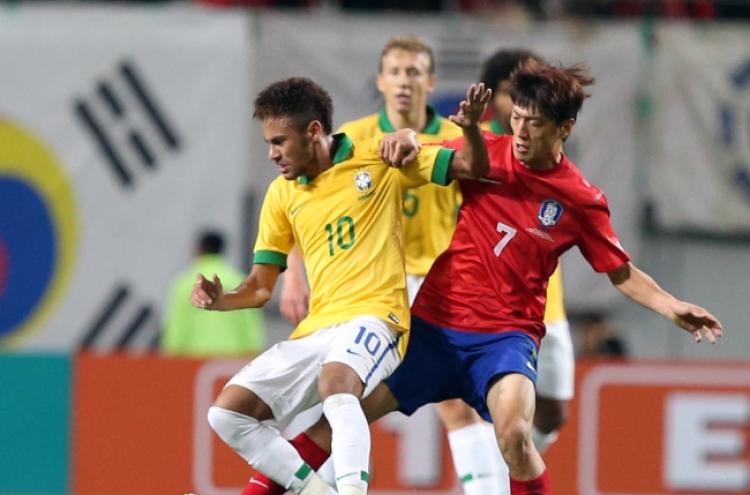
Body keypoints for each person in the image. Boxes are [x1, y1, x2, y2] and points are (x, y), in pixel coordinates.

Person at [248, 60, 723, 495]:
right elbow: (422, 150)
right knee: (333, 417)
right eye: (516, 117)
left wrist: (671, 305)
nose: (520, 131)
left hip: (505, 338)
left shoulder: (580, 199)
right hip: (432, 328)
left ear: (565, 128)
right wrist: (406, 138)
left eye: (534, 123)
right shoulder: (486, 154)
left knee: (516, 435)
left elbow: (620, 273)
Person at [191, 77, 491, 495]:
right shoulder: (281, 194)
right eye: (268, 143)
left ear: (313, 131)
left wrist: (469, 129)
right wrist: (222, 300)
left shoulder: (379, 159)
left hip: (377, 316)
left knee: (336, 384)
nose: (272, 153)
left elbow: (473, 167)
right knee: (225, 415)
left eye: (279, 141)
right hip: (318, 330)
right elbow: (260, 288)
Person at [274, 35, 500, 495]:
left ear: (430, 81)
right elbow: (302, 200)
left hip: (437, 283)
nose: (404, 81)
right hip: (368, 287)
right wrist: (293, 273)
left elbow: (484, 200)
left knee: (455, 403)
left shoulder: (457, 138)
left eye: (414, 72)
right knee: (344, 396)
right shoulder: (354, 139)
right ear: (380, 80)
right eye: (395, 72)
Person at [161, 230, 265, 357]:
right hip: (233, 360)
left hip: (193, 361)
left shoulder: (184, 284)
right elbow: (250, 329)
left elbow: (176, 330)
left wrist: (171, 359)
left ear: (200, 249)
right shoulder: (240, 282)